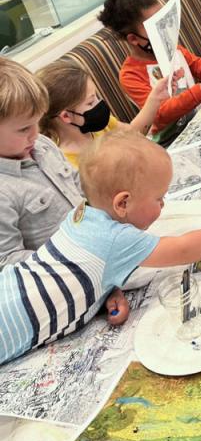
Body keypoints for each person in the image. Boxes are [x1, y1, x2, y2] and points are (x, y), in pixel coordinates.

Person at [0, 130, 201, 365]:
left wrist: (106, 290)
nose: (163, 205)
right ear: (122, 203)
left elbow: (77, 274)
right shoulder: (115, 238)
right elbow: (183, 249)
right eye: (158, 199)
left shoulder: (80, 216)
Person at [0, 57, 130, 326]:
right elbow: (9, 265)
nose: (36, 134)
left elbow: (79, 189)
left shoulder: (43, 146)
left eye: (37, 122)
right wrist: (85, 264)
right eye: (24, 128)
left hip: (100, 260)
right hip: (61, 287)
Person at [97, 0, 201, 146]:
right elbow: (160, 114)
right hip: (171, 139)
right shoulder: (130, 75)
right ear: (134, 39)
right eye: (157, 27)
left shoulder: (174, 49)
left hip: (200, 119)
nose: (165, 31)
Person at [36, 61, 178, 169]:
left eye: (97, 96)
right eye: (90, 102)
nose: (99, 104)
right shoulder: (68, 165)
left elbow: (133, 133)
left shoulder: (99, 125)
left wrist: (155, 98)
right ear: (66, 116)